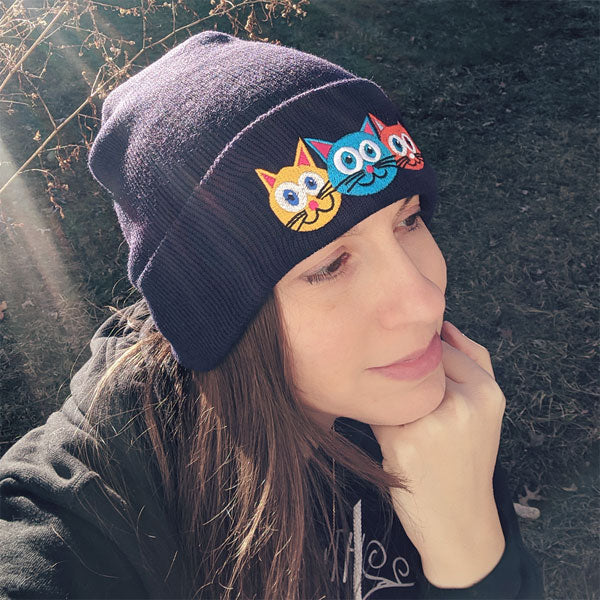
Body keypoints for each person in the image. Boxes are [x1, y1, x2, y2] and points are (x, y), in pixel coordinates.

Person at [0, 31, 543, 599]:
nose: (424, 301)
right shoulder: (89, 523)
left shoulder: (433, 418)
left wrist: (469, 548)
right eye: (329, 265)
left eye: (407, 220)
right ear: (216, 315)